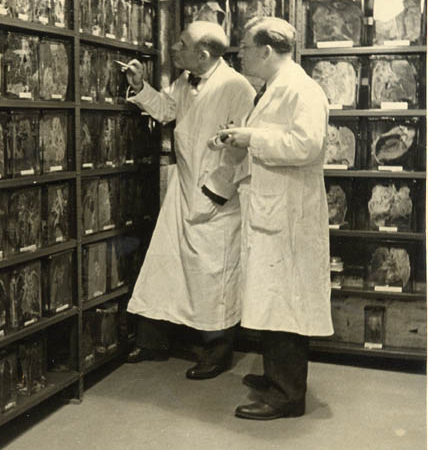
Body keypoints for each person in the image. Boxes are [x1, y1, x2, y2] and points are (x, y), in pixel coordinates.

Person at [124, 21, 255, 379]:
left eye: (181, 45)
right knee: (165, 266)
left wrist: (216, 192)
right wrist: (140, 87)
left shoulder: (237, 88)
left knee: (213, 276)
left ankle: (216, 352)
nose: (174, 49)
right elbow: (166, 110)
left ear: (204, 53)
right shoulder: (185, 81)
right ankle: (153, 341)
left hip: (215, 198)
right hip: (182, 191)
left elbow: (241, 149)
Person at [218, 17, 334, 419]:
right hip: (274, 210)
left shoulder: (302, 90)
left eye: (246, 49)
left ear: (267, 50)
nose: (241, 55)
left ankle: (288, 395)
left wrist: (252, 138)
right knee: (272, 299)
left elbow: (306, 145)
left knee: (286, 303)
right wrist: (245, 136)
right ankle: (275, 377)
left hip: (290, 216)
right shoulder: (275, 89)